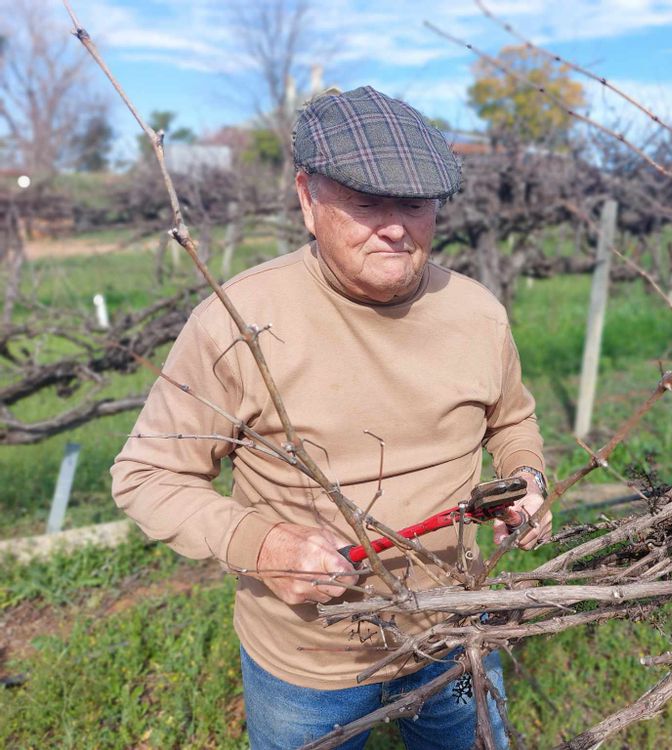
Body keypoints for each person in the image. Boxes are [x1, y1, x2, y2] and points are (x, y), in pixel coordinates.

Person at [111, 86, 551, 750]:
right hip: (308, 671)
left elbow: (511, 420)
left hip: (457, 635)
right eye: (366, 202)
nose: (396, 227)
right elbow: (145, 476)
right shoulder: (240, 321)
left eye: (414, 204)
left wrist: (525, 478)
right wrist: (261, 545)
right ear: (307, 198)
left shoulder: (477, 312)